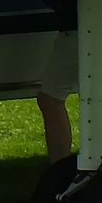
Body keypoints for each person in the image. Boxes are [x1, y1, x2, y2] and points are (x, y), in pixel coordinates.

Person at [35, 29, 77, 165]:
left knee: (50, 99)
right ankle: (60, 169)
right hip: (80, 29)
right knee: (50, 99)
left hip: (81, 29)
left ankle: (60, 171)